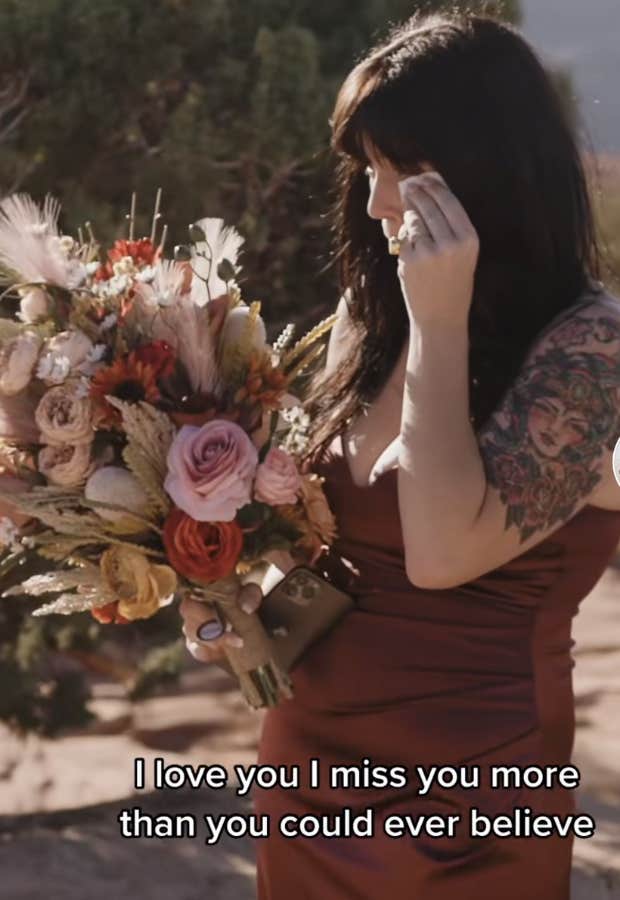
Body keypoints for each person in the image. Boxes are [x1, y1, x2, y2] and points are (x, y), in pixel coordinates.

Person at [179, 9, 620, 898]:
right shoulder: (364, 323)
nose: (379, 203)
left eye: (406, 171)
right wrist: (229, 606)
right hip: (310, 762)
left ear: (492, 172)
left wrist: (440, 320)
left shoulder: (593, 348)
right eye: (369, 169)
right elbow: (328, 540)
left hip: (478, 785)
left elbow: (442, 551)